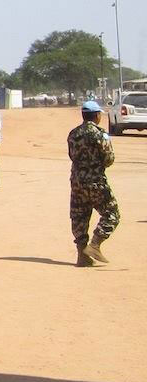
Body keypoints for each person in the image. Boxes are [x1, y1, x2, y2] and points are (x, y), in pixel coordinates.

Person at [67, 101, 120, 266]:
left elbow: (72, 155)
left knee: (79, 216)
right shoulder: (100, 134)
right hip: (96, 181)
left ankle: (82, 255)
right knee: (112, 213)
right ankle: (95, 245)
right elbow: (109, 159)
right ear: (96, 115)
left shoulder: (73, 134)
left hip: (77, 182)